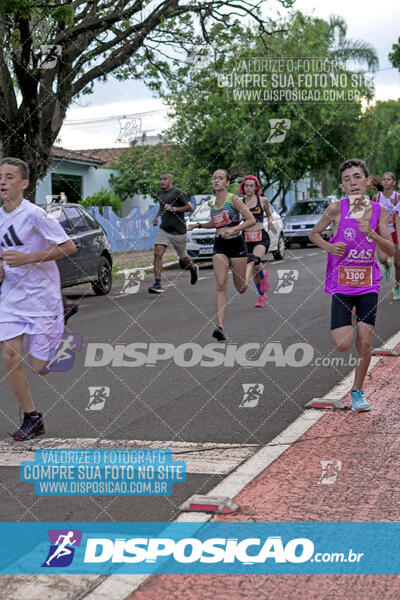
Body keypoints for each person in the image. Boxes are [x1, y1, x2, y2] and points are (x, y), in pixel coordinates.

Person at [309, 158, 394, 412]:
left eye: (357, 177)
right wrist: (329, 246)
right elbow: (313, 233)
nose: (352, 182)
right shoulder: (336, 209)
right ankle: (350, 318)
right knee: (342, 344)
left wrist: (373, 234)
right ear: (342, 186)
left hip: (369, 284)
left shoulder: (379, 211)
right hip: (342, 285)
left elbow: (390, 250)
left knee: (365, 342)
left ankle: (357, 391)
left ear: (367, 181)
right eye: (347, 179)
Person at [0, 157, 76, 440]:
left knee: (40, 368)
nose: (3, 182)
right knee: (9, 356)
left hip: (42, 298)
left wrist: (28, 258)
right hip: (11, 298)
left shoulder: (36, 215)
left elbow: (69, 246)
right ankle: (32, 417)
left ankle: (61, 321)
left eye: (9, 177)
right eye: (0, 176)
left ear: (24, 184)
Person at [188, 169, 255, 341]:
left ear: (226, 183)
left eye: (220, 178)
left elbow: (250, 220)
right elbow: (215, 222)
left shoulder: (232, 199)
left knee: (241, 288)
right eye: (214, 178)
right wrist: (198, 226)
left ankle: (251, 265)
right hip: (220, 245)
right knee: (221, 284)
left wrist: (233, 228)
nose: (216, 181)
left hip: (236, 244)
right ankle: (220, 327)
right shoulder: (211, 203)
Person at [149, 173, 198, 293]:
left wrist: (174, 209)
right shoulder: (159, 193)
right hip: (164, 229)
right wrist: (156, 218)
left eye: (165, 179)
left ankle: (192, 268)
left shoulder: (178, 193)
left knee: (183, 258)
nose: (162, 181)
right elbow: (162, 207)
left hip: (179, 231)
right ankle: (157, 283)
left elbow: (189, 208)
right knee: (157, 253)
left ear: (171, 180)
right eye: (160, 179)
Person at [239, 175, 277, 308]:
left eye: (251, 186)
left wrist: (271, 223)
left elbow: (269, 214)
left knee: (255, 260)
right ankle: (261, 295)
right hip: (246, 237)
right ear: (243, 187)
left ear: (256, 188)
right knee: (254, 267)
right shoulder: (240, 202)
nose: (248, 188)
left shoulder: (263, 200)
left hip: (260, 235)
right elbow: (237, 219)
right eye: (246, 186)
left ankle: (262, 274)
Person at [373, 171, 400, 299]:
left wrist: (397, 205)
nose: (386, 181)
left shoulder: (397, 196)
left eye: (389, 179)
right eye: (384, 179)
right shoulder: (376, 198)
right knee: (383, 259)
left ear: (394, 182)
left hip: (395, 231)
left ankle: (397, 287)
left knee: (398, 263)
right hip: (381, 231)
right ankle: (387, 266)